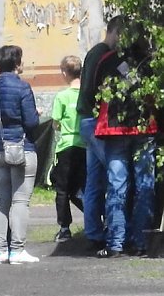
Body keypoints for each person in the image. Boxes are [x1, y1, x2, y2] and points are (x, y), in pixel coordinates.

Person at [92, 35, 158, 258]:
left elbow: (96, 91)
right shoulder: (150, 62)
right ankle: (140, 241)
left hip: (114, 129)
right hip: (144, 128)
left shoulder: (107, 60)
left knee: (116, 185)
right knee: (145, 185)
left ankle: (116, 243)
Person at [0, 45, 41, 265]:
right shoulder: (23, 87)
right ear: (17, 63)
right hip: (21, 148)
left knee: (0, 200)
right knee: (20, 201)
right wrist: (36, 114)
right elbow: (31, 122)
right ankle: (17, 249)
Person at [76, 15, 123, 251]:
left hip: (86, 120)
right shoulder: (104, 55)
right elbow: (98, 87)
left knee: (94, 180)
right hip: (97, 121)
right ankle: (114, 233)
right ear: (115, 32)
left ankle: (93, 232)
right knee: (116, 174)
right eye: (122, 36)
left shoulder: (93, 52)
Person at [50, 55, 85, 243]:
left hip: (66, 146)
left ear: (65, 73)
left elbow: (55, 123)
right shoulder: (86, 94)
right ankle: (98, 219)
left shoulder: (62, 96)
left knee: (62, 189)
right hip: (85, 145)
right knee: (86, 187)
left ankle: (64, 228)